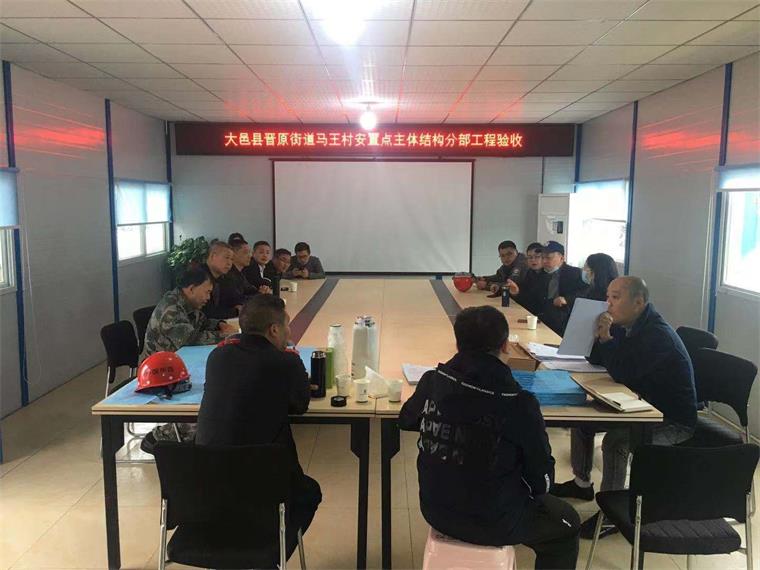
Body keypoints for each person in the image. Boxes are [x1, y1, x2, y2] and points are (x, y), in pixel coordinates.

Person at [399, 305, 580, 570]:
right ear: (505, 345)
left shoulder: (432, 381)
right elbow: (541, 480)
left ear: (458, 343)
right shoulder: (519, 403)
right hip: (495, 520)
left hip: (435, 509)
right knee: (566, 525)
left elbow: (406, 420)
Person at [551, 277, 697, 539]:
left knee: (616, 442)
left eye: (615, 298)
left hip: (669, 419)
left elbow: (623, 373)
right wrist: (597, 336)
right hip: (636, 405)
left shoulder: (657, 336)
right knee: (583, 419)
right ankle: (582, 483)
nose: (608, 303)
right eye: (608, 296)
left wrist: (606, 337)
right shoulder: (625, 325)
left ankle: (612, 513)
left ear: (638, 303)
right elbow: (599, 361)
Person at [196, 294, 321, 548]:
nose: (289, 331)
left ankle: (238, 545)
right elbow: (299, 406)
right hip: (264, 483)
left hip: (208, 486)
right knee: (310, 493)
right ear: (274, 330)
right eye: (286, 325)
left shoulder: (217, 357)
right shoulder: (286, 361)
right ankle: (271, 551)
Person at [139, 266, 237, 451]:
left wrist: (220, 324)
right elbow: (189, 339)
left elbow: (203, 322)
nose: (208, 297)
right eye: (206, 292)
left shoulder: (188, 304)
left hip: (180, 363)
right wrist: (226, 336)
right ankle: (161, 436)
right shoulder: (171, 308)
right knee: (213, 392)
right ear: (191, 288)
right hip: (158, 373)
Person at [535, 241, 586, 335]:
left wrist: (567, 299)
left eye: (548, 257)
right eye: (542, 257)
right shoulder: (539, 274)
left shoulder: (575, 273)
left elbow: (586, 293)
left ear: (561, 258)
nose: (544, 261)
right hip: (542, 319)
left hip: (565, 322)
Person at [202, 240, 240, 319]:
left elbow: (236, 299)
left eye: (232, 259)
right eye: (227, 258)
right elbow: (207, 313)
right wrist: (236, 311)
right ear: (213, 256)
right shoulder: (199, 277)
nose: (229, 263)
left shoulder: (225, 278)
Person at [505, 242, 545, 314]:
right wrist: (516, 293)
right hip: (529, 313)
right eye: (530, 257)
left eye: (537, 257)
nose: (533, 260)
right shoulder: (530, 272)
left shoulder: (548, 275)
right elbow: (525, 296)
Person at [220, 237, 259, 307]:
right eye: (246, 252)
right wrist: (260, 295)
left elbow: (250, 289)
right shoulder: (228, 274)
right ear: (233, 254)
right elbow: (237, 299)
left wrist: (262, 291)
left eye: (250, 252)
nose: (250, 256)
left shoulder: (240, 273)